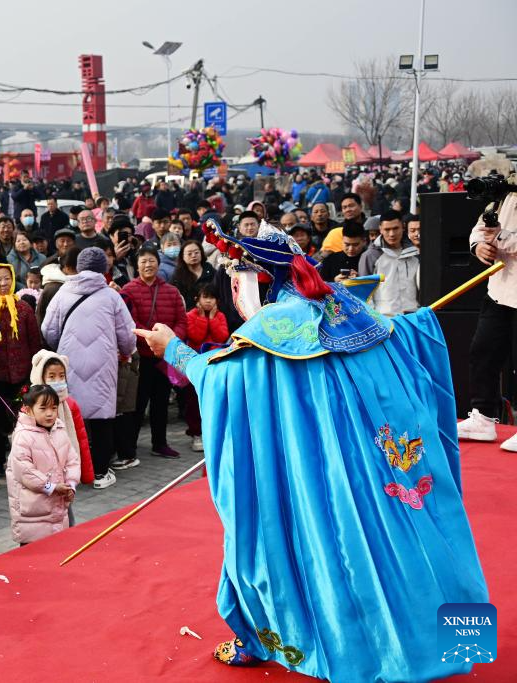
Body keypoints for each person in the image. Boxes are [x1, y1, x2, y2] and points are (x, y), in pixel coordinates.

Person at [135, 222, 488, 681]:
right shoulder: (342, 304)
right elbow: (396, 335)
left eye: (235, 278)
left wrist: (173, 349)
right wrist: (418, 324)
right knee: (411, 535)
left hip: (317, 468)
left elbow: (224, 378)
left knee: (316, 544)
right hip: (374, 458)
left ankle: (302, 642)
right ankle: (462, 638)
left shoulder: (273, 326)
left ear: (255, 279)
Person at [41, 247, 136, 490]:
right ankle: (101, 473)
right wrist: (125, 351)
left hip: (68, 364)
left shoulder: (63, 292)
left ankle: (72, 471)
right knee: (102, 419)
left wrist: (63, 349)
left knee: (71, 418)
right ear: (104, 269)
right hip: (103, 364)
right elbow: (127, 336)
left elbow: (48, 331)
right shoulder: (112, 296)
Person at [457, 186, 517, 451]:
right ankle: (482, 417)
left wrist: (500, 237)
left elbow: (501, 236)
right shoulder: (504, 195)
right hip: (498, 291)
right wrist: (479, 246)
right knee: (483, 352)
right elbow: (480, 229)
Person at [119, 247, 187, 463]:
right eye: (143, 262)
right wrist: (151, 337)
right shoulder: (128, 290)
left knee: (160, 402)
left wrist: (170, 340)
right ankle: (130, 445)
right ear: (137, 266)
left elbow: (182, 320)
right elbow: (129, 322)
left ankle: (160, 443)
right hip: (142, 356)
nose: (148, 265)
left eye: (152, 261)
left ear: (158, 264)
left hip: (165, 356)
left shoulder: (171, 291)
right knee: (137, 404)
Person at [0, 264, 43, 481]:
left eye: (7, 279)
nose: (3, 283)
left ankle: (23, 462)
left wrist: (35, 370)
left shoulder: (24, 308)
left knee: (23, 420)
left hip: (21, 375)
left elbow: (34, 342)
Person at [6, 384, 80, 546]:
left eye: (53, 408)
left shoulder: (59, 429)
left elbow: (72, 459)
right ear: (28, 409)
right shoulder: (23, 435)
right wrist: (51, 487)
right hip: (32, 512)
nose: (50, 413)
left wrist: (71, 484)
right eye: (43, 408)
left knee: (58, 550)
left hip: (58, 506)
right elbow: (24, 471)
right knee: (34, 556)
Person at [28, 350, 92, 490]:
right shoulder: (32, 405)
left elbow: (81, 439)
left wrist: (85, 473)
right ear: (41, 377)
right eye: (52, 376)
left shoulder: (69, 404)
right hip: (42, 475)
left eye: (61, 376)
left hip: (66, 470)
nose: (58, 381)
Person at [182, 282, 229, 452]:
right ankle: (196, 433)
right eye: (205, 297)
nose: (208, 301)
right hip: (197, 363)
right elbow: (196, 336)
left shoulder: (220, 316)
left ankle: (214, 432)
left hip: (215, 363)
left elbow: (222, 336)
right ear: (198, 299)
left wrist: (211, 319)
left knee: (215, 398)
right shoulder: (191, 315)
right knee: (193, 400)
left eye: (212, 298)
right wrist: (203, 319)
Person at [358, 210, 420, 315]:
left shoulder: (415, 253)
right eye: (387, 229)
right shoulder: (370, 256)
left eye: (395, 228)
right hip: (384, 318)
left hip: (413, 315)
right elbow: (364, 292)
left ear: (403, 227)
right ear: (380, 229)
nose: (392, 234)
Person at [173, 240, 216, 309]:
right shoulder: (178, 275)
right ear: (182, 256)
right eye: (189, 253)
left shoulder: (210, 270)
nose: (193, 256)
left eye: (196, 252)